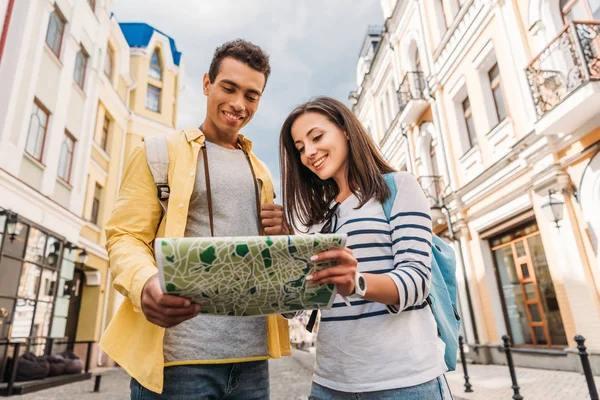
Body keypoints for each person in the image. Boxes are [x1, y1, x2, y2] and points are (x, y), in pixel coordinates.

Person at [100, 39, 291, 399]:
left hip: (251, 363)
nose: (238, 104)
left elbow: (262, 258)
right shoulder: (159, 151)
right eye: (229, 88)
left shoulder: (262, 171)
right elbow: (123, 236)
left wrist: (283, 236)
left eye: (251, 95)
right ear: (207, 83)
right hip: (179, 364)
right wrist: (145, 284)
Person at [279, 97, 452, 399]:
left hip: (404, 382)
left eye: (316, 137)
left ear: (346, 130)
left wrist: (357, 282)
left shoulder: (398, 187)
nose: (309, 152)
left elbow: (416, 282)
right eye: (300, 147)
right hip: (330, 384)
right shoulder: (319, 220)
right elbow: (298, 306)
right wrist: (279, 254)